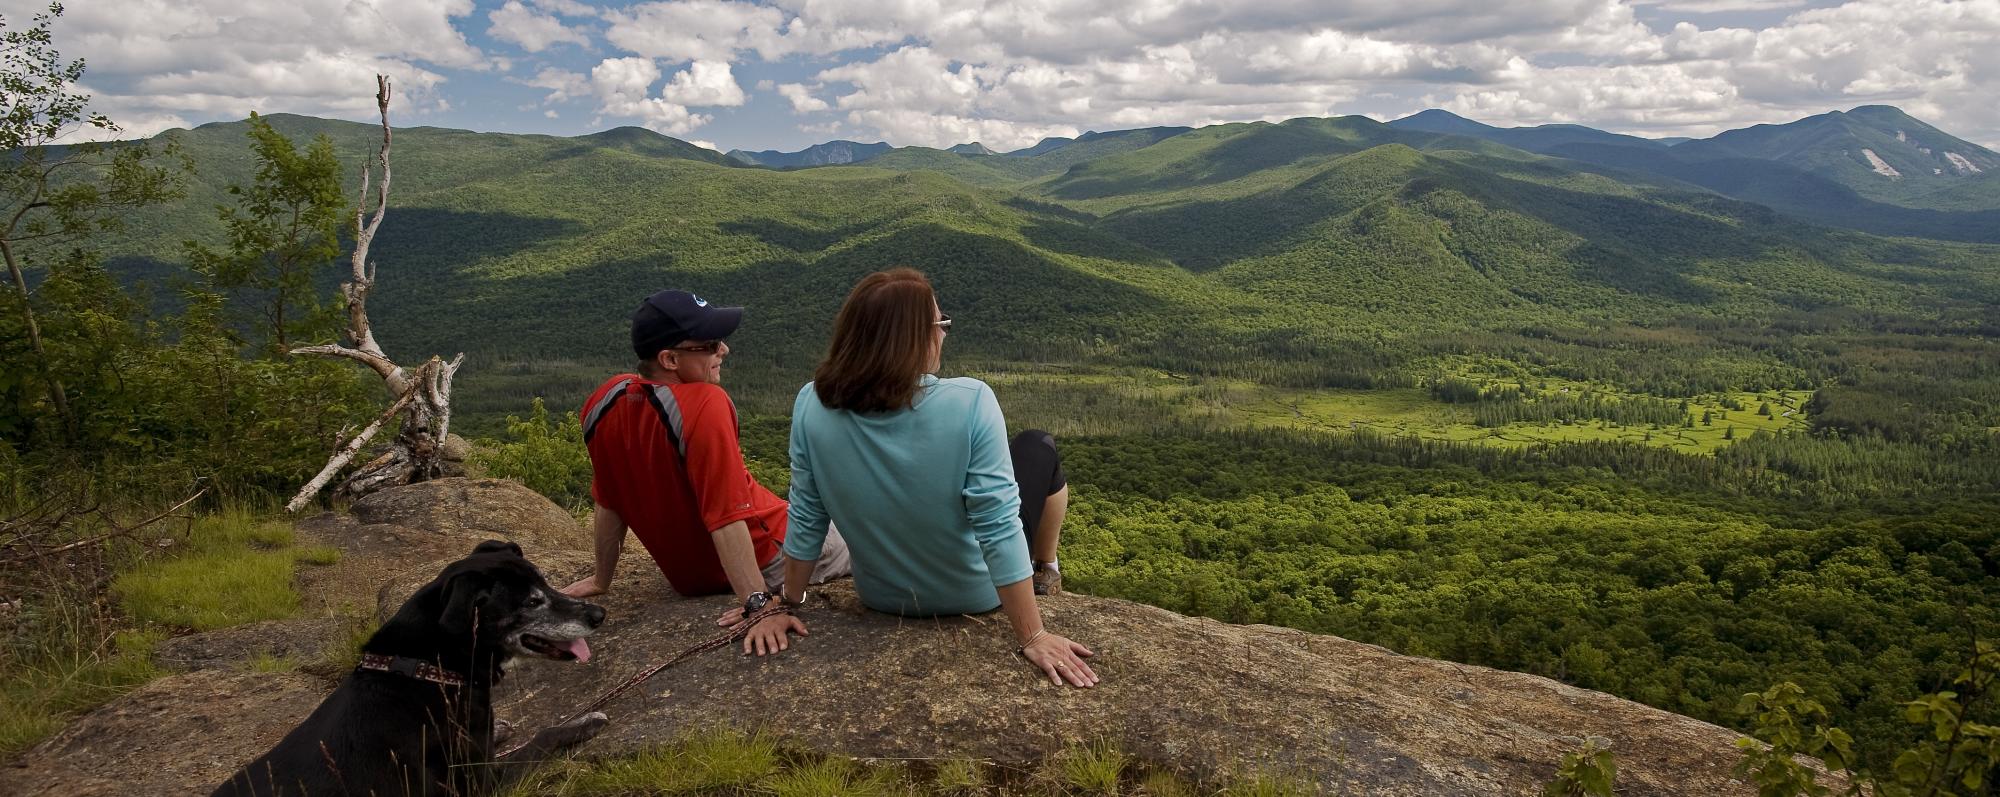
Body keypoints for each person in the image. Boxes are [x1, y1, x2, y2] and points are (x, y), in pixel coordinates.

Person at [748, 268, 1098, 688]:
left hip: (881, 597)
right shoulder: (971, 401)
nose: (944, 333)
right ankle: (1047, 567)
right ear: (913, 337)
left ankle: (1046, 567)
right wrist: (1034, 635)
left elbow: (807, 512)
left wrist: (789, 600)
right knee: (1038, 447)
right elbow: (998, 525)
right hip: (976, 595)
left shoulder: (811, 403)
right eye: (939, 324)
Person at [560, 290, 850, 629]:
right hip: (772, 553)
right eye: (710, 344)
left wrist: (601, 579)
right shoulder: (704, 403)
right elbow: (725, 516)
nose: (723, 350)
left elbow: (609, 499)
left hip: (689, 579)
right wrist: (759, 606)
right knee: (861, 529)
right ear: (669, 360)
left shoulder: (604, 400)